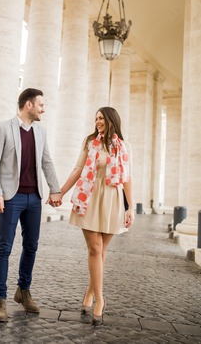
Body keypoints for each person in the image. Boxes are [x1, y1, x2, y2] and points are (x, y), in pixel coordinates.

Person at [0, 88, 62, 322]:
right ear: (28, 105)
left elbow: (46, 161)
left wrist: (55, 188)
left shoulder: (41, 131)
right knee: (4, 247)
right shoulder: (3, 127)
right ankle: (0, 299)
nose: (43, 109)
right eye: (40, 104)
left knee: (31, 246)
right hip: (11, 198)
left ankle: (23, 290)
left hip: (34, 198)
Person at [60, 107, 134, 326]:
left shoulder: (124, 146)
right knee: (95, 248)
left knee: (102, 250)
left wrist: (130, 208)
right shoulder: (89, 141)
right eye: (96, 118)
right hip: (90, 195)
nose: (97, 121)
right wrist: (61, 193)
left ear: (111, 120)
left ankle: (90, 293)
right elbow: (77, 169)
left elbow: (128, 178)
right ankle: (100, 300)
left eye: (101, 118)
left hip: (113, 199)